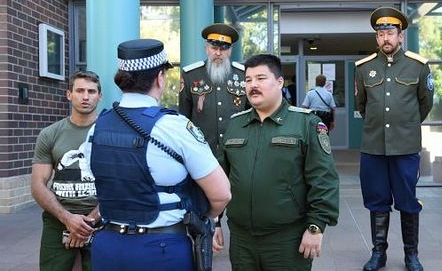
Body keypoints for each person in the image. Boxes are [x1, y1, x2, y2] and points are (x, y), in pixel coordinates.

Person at [82, 39, 231, 270]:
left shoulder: (97, 127)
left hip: (106, 247)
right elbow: (221, 194)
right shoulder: (176, 127)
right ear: (160, 78)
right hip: (161, 250)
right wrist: (205, 216)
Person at [216, 54, 340, 270]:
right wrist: (215, 221)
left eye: (261, 78)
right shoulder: (235, 125)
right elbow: (220, 178)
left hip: (287, 241)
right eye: (248, 80)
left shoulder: (306, 123)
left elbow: (324, 179)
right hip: (241, 239)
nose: (253, 85)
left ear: (280, 82)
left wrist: (316, 227)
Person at [354, 7, 434, 271]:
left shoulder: (418, 66)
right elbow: (362, 106)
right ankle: (379, 253)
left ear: (401, 35)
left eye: (390, 32)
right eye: (380, 33)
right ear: (376, 38)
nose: (385, 37)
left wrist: (404, 126)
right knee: (377, 200)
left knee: (407, 200)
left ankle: (411, 255)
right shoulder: (364, 68)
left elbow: (425, 104)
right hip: (374, 146)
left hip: (405, 146)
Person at [31, 71, 102, 271]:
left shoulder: (109, 133)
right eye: (79, 90)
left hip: (102, 220)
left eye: (91, 91)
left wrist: (88, 222)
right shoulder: (50, 134)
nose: (86, 96)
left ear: (100, 96)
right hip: (58, 219)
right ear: (69, 94)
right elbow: (37, 186)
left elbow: (120, 184)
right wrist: (68, 219)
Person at [179, 23, 248, 153]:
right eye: (214, 48)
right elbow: (184, 116)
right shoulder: (191, 75)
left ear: (230, 51)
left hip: (238, 149)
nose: (218, 53)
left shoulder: (243, 75)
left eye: (223, 49)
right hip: (201, 149)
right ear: (206, 48)